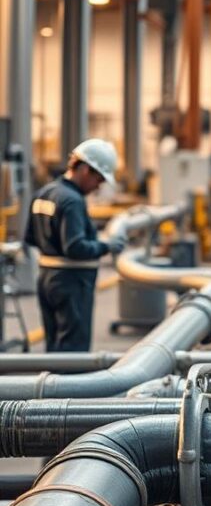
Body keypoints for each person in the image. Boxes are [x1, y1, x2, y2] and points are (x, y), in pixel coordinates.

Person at [23, 139, 128, 351]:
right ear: (85, 169)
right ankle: (68, 385)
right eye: (98, 179)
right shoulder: (72, 201)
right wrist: (106, 246)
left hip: (47, 279)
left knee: (54, 345)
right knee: (73, 350)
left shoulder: (44, 193)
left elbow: (30, 238)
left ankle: (51, 384)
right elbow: (75, 247)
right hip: (72, 284)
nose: (98, 186)